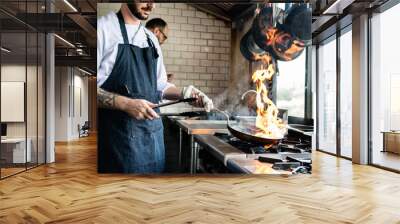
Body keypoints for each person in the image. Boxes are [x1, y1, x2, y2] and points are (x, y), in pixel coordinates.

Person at [97, 2, 213, 173]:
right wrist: (126, 104)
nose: (151, 5)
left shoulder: (150, 39)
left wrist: (185, 93)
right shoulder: (103, 29)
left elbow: (159, 86)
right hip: (119, 145)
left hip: (153, 143)